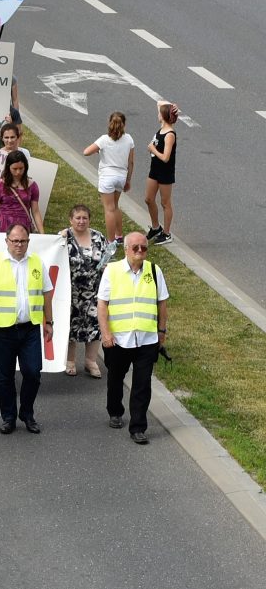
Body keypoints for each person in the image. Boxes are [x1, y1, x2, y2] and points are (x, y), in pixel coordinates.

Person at [0, 223, 54, 435]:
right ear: (7, 241)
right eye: (15, 241)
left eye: (23, 241)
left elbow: (47, 293)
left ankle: (27, 413)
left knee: (33, 373)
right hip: (2, 329)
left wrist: (49, 322)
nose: (19, 245)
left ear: (29, 241)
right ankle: (8, 417)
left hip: (29, 329)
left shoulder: (37, 262)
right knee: (4, 377)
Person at [98, 233, 169, 445]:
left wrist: (162, 331)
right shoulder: (112, 271)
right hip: (119, 339)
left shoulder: (155, 271)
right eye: (135, 247)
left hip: (146, 339)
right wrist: (106, 333)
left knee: (142, 383)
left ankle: (138, 427)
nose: (140, 251)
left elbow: (162, 303)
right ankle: (115, 411)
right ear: (126, 249)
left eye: (143, 248)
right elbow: (102, 304)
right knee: (115, 378)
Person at [61, 204, 112, 378]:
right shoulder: (63, 237)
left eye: (85, 218)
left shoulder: (99, 237)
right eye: (78, 218)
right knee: (70, 325)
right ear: (70, 220)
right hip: (71, 291)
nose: (81, 221)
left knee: (95, 325)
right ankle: (70, 360)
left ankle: (91, 361)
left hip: (96, 290)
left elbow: (107, 259)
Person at [84, 111, 134, 244]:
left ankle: (111, 241)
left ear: (109, 123)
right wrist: (128, 180)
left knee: (109, 209)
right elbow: (131, 162)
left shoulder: (104, 140)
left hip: (107, 177)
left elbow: (86, 152)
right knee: (116, 206)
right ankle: (119, 235)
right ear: (124, 124)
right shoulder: (129, 139)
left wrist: (98, 150)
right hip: (121, 177)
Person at [144, 101, 179, 244]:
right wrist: (173, 106)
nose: (157, 114)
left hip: (165, 172)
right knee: (148, 199)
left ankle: (167, 233)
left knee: (165, 203)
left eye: (160, 113)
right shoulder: (162, 128)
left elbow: (166, 157)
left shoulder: (169, 134)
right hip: (155, 170)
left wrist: (153, 149)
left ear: (164, 116)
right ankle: (156, 227)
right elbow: (159, 102)